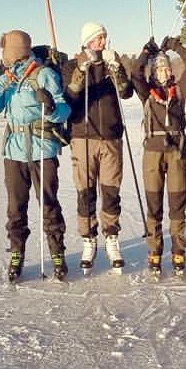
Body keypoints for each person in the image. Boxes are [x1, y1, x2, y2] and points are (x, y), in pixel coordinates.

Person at [0, 30, 71, 281]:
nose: (3, 57)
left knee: (48, 203)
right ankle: (17, 253)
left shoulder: (44, 74)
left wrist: (51, 106)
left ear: (14, 51)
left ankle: (57, 254)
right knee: (15, 207)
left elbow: (64, 110)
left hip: (42, 149)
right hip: (14, 151)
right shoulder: (7, 79)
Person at [63, 22, 134, 275]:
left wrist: (117, 71)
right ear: (87, 42)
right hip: (82, 136)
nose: (103, 43)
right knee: (86, 191)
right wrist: (82, 70)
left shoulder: (112, 64)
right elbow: (69, 97)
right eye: (98, 39)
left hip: (111, 137)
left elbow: (126, 94)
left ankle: (112, 238)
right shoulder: (73, 65)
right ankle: (88, 239)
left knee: (111, 190)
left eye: (104, 38)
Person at [132, 35, 186, 277]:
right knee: (154, 206)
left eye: (166, 68)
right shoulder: (146, 93)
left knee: (177, 205)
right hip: (152, 154)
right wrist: (145, 53)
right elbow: (135, 76)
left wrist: (175, 47)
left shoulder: (179, 92)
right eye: (158, 69)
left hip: (176, 154)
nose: (162, 72)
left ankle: (178, 250)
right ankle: (154, 251)